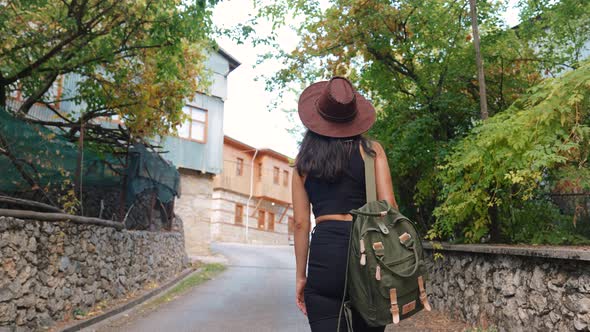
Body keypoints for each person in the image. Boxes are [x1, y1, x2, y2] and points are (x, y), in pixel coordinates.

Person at [292, 76, 399, 332]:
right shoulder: (372, 151)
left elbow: (299, 223)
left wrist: (300, 276)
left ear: (316, 118)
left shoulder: (303, 163)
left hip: (326, 255)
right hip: (368, 252)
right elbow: (389, 206)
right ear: (354, 118)